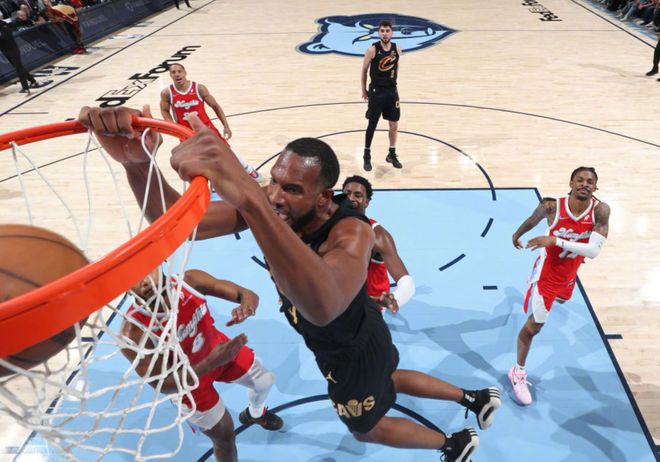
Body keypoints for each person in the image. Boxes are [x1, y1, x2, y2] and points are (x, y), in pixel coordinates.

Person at [78, 105, 501, 462]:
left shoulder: (351, 232)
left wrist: (249, 198)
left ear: (324, 197)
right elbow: (180, 223)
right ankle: (473, 397)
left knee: (365, 430)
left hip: (348, 351)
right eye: (274, 182)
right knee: (387, 379)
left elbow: (322, 306)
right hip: (363, 337)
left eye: (293, 189)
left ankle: (453, 444)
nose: (277, 196)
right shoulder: (271, 205)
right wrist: (138, 165)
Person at [121, 267, 283, 462]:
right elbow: (162, 384)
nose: (144, 281)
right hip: (187, 383)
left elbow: (247, 294)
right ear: (124, 288)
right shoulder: (133, 332)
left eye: (148, 271)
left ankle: (255, 413)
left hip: (219, 350)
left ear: (160, 264)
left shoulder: (190, 281)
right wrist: (210, 362)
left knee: (265, 381)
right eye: (133, 278)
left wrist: (246, 307)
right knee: (225, 438)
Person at [509, 167, 611, 406]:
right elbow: (532, 220)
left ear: (595, 187)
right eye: (580, 180)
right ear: (571, 183)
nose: (584, 184)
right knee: (535, 326)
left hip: (570, 272)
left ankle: (544, 295)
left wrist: (555, 240)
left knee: (564, 299)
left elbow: (593, 251)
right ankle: (518, 372)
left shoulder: (601, 210)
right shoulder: (551, 207)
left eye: (590, 181)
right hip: (547, 275)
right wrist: (516, 235)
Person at [160, 63, 263, 183]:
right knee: (196, 161)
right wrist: (173, 126)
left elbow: (215, 106)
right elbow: (164, 110)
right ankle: (211, 184)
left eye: (179, 71)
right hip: (186, 132)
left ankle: (249, 170)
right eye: (173, 72)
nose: (177, 74)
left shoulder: (199, 88)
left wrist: (226, 126)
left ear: (185, 72)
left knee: (226, 151)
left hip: (206, 128)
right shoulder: (167, 93)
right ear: (170, 75)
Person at [342, 175, 415, 314]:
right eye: (347, 193)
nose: (351, 198)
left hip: (369, 306)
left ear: (366, 202)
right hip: (339, 301)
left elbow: (407, 283)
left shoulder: (378, 235)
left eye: (358, 195)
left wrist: (394, 300)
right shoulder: (331, 224)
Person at [360, 20, 402, 172]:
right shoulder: (372, 50)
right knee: (372, 124)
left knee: (394, 124)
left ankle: (391, 153)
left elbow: (396, 66)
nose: (385, 33)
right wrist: (364, 90)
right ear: (378, 33)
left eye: (387, 31)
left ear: (392, 33)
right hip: (376, 92)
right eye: (382, 31)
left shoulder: (397, 49)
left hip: (391, 91)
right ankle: (366, 154)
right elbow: (364, 70)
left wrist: (394, 81)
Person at [0, 15, 50, 94]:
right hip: (5, 51)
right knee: (19, 67)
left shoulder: (4, 25)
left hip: (12, 50)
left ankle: (25, 87)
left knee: (19, 68)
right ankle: (32, 81)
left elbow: (6, 37)